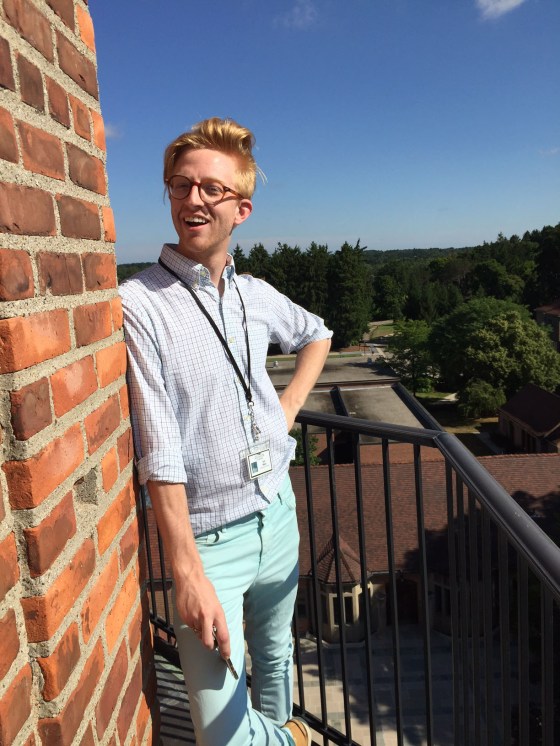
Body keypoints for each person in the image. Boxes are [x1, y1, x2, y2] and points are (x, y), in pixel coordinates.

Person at [120, 117, 332, 746]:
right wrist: (186, 570)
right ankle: (295, 739)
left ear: (241, 209)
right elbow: (159, 449)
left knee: (275, 659)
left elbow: (317, 333)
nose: (193, 199)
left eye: (211, 189)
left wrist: (288, 406)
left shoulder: (256, 295)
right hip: (210, 542)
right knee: (222, 734)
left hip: (278, 511)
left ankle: (284, 727)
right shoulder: (140, 304)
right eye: (181, 185)